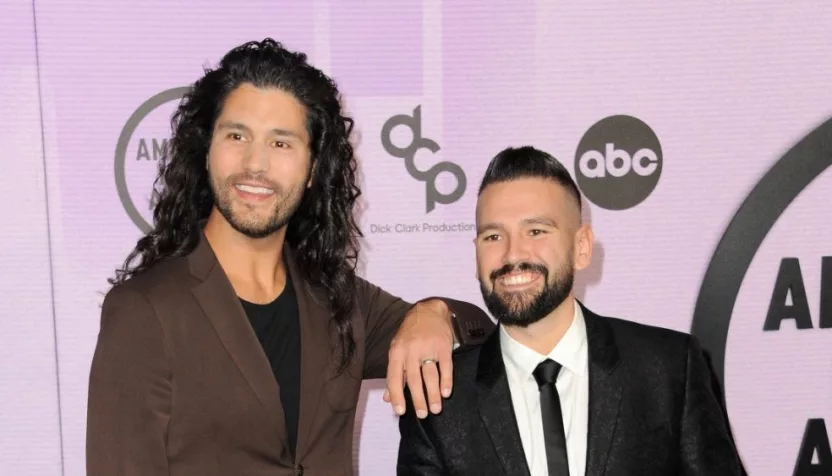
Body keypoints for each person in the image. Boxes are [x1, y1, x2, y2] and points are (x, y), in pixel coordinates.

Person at [86, 38, 492, 476]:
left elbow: (480, 335)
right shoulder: (145, 311)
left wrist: (434, 312)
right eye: (237, 135)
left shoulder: (338, 299)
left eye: (281, 144)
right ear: (206, 151)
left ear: (314, 169)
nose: (255, 164)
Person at [397, 146, 743, 475]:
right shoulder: (438, 401)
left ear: (581, 247)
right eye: (493, 237)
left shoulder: (668, 370)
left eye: (536, 231)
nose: (512, 254)